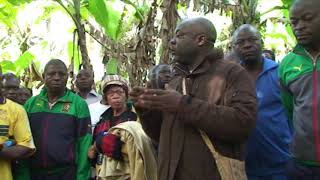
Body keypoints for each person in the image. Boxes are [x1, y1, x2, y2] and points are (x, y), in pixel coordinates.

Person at [130, 17, 257, 180]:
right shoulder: (176, 80)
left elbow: (243, 123)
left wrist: (182, 104)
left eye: (179, 36)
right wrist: (146, 110)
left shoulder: (232, 73)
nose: (172, 42)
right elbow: (161, 137)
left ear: (201, 40)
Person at [232, 24, 292, 180]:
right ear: (233, 47)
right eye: (241, 42)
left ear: (262, 42)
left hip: (281, 162)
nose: (247, 45)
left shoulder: (279, 72)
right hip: (243, 165)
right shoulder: (230, 78)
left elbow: (294, 112)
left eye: (252, 40)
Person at [24, 59, 92, 180]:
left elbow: (84, 143)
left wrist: (82, 176)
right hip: (35, 173)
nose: (57, 78)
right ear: (44, 77)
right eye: (51, 74)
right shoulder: (31, 104)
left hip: (66, 173)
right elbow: (24, 141)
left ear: (67, 77)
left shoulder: (78, 104)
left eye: (61, 74)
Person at [279, 0, 320, 179]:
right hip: (301, 164)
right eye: (294, 22)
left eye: (307, 19)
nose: (299, 27)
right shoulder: (287, 64)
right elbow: (290, 109)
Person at [87, 75, 137, 176]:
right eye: (110, 93)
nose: (115, 96)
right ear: (106, 98)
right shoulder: (103, 119)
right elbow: (92, 154)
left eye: (119, 92)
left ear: (126, 95)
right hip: (103, 174)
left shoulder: (134, 117)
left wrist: (100, 142)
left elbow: (129, 149)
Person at [0, 67, 35, 180]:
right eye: (8, 88)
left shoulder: (19, 110)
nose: (11, 92)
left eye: (15, 88)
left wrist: (11, 144)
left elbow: (25, 145)